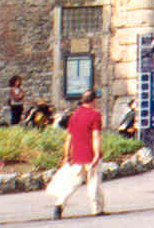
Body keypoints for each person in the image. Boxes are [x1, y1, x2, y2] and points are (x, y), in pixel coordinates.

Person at [48, 89, 105, 220]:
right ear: (93, 100)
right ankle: (97, 209)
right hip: (90, 155)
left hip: (77, 156)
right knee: (93, 183)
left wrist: (67, 155)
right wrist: (97, 154)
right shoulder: (95, 115)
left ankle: (59, 204)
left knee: (73, 183)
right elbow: (95, 136)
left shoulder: (74, 116)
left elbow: (69, 138)